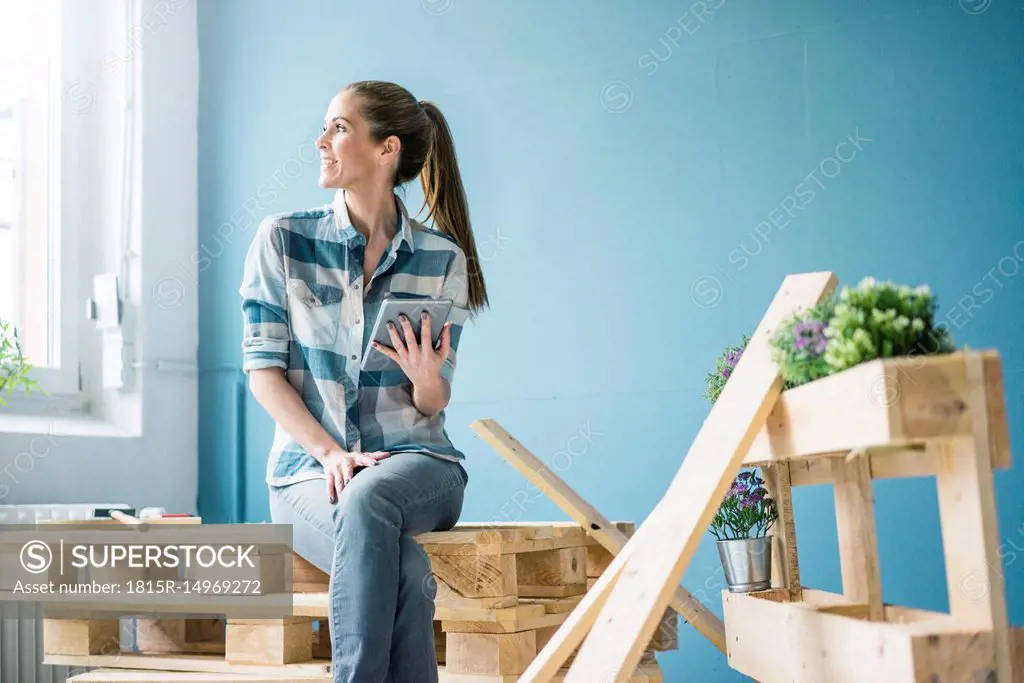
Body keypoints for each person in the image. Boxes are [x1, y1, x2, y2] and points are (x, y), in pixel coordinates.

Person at [238, 80, 489, 683]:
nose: (321, 140)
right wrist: (329, 453)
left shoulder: (441, 260)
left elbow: (433, 402)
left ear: (386, 149)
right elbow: (262, 373)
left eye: (339, 127)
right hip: (306, 475)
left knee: (370, 493)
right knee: (403, 571)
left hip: (419, 465)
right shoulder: (283, 240)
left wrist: (429, 379)